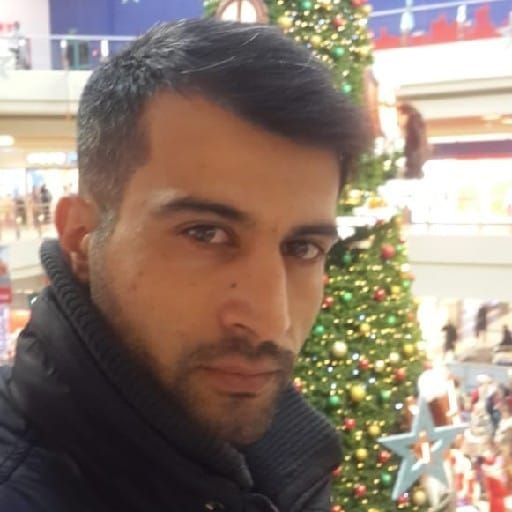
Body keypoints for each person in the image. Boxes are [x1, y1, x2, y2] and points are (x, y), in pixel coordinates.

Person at [0, 19, 367, 511]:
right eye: (205, 234)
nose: (269, 320)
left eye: (302, 248)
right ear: (81, 237)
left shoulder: (287, 469)